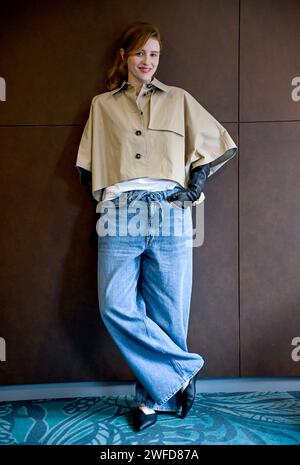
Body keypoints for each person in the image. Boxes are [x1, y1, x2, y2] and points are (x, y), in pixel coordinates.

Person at [75, 21, 238, 431]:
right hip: (119, 211)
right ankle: (184, 370)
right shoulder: (102, 105)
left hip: (170, 211)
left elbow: (215, 148)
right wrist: (100, 215)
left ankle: (153, 401)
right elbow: (88, 168)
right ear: (124, 57)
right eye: (139, 53)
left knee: (170, 309)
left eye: (154, 54)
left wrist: (195, 186)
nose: (147, 62)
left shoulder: (180, 99)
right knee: (115, 305)